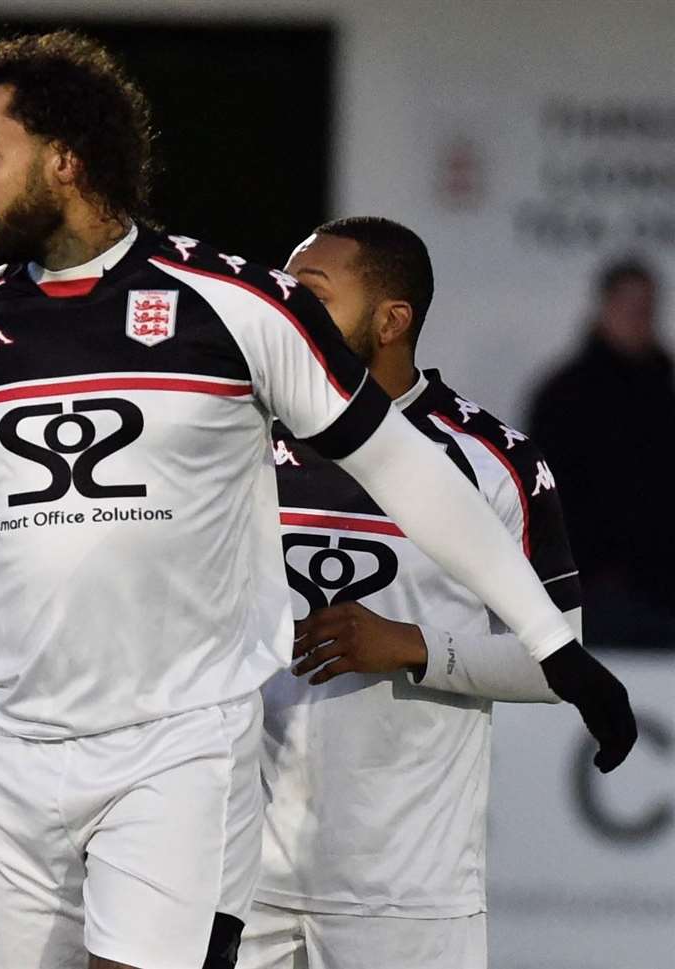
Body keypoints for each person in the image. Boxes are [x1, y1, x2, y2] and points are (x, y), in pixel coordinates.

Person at [0, 31, 636, 969]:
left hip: (178, 745)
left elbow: (409, 471)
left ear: (68, 159)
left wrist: (552, 646)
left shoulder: (238, 307)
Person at [241, 217, 580, 968]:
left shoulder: (498, 462)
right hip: (237, 879)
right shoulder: (237, 437)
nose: (286, 307)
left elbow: (559, 658)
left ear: (393, 320)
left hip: (407, 894)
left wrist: (413, 646)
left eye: (312, 293)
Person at [527, 259, 675, 645]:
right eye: (630, 307)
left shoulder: (665, 394)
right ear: (605, 307)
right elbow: (545, 498)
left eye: (646, 308)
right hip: (592, 591)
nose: (639, 319)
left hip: (662, 591)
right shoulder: (564, 397)